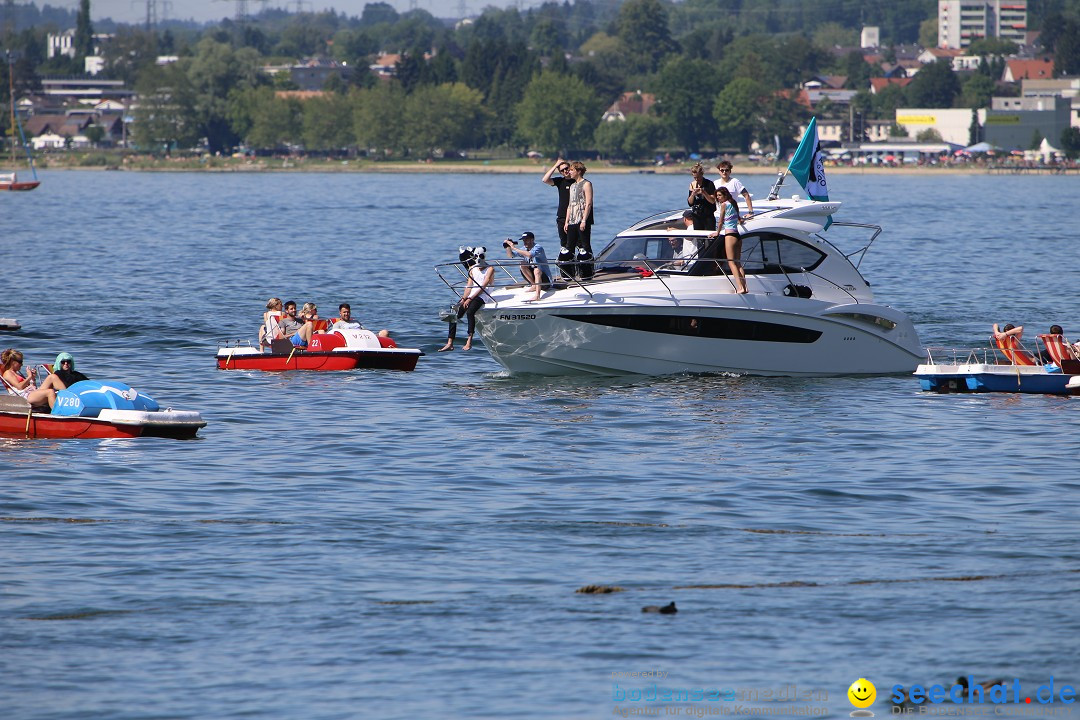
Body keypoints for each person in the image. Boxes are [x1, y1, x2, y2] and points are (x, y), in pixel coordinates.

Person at [439, 247, 494, 352]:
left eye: (480, 256)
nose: (478, 259)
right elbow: (469, 286)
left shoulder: (490, 269)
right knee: (454, 312)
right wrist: (463, 299)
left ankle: (469, 341)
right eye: (476, 257)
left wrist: (469, 299)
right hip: (472, 295)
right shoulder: (472, 269)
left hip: (483, 295)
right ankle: (450, 343)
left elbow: (483, 286)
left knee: (470, 312)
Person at [1, 348, 65, 410]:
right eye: (20, 362)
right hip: (23, 398)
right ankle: (57, 413)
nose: (22, 364)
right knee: (50, 392)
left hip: (30, 393)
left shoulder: (17, 373)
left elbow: (30, 386)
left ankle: (69, 395)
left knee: (52, 377)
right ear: (12, 362)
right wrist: (29, 376)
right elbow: (19, 387)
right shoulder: (7, 373)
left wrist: (33, 378)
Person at [711, 187, 748, 294]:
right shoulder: (734, 204)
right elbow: (739, 219)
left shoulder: (724, 205)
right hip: (737, 235)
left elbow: (721, 222)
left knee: (731, 262)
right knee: (738, 263)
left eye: (719, 195)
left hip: (730, 235)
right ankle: (745, 287)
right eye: (717, 196)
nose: (718, 198)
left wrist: (717, 233)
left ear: (725, 195)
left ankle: (740, 288)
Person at [563, 161, 594, 280]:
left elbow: (588, 203)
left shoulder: (586, 184)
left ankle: (589, 270)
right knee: (569, 246)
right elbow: (570, 205)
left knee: (585, 245)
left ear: (578, 171)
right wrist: (566, 221)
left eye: (571, 170)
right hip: (572, 220)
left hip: (582, 218)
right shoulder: (572, 186)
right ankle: (570, 271)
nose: (569, 172)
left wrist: (584, 220)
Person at [504, 231, 553, 301]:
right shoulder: (524, 248)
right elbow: (510, 255)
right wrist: (508, 246)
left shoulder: (538, 247)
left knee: (537, 270)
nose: (525, 242)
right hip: (534, 277)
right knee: (522, 264)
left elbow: (529, 255)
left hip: (545, 281)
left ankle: (537, 296)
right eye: (524, 240)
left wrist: (514, 248)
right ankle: (533, 285)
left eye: (526, 240)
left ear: (532, 240)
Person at [542, 158, 574, 248]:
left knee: (577, 242)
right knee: (564, 242)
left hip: (575, 215)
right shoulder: (560, 181)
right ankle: (566, 258)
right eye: (562, 170)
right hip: (562, 215)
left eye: (566, 168)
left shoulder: (577, 181)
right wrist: (555, 165)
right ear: (560, 172)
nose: (565, 171)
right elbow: (545, 180)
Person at [686, 162, 717, 231]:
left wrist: (704, 192)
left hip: (708, 215)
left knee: (709, 237)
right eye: (695, 177)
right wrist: (693, 194)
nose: (697, 179)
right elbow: (690, 203)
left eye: (698, 177)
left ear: (702, 175)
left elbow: (713, 201)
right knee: (699, 238)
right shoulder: (692, 184)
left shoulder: (709, 184)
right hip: (697, 215)